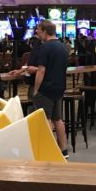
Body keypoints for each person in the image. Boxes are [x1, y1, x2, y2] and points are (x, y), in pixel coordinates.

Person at [29, 20, 69, 155]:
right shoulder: (62, 47)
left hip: (46, 89)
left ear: (45, 31)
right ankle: (63, 150)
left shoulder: (44, 48)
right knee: (58, 119)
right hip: (59, 88)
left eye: (39, 30)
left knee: (46, 119)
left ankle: (51, 151)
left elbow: (41, 71)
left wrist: (35, 90)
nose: (37, 32)